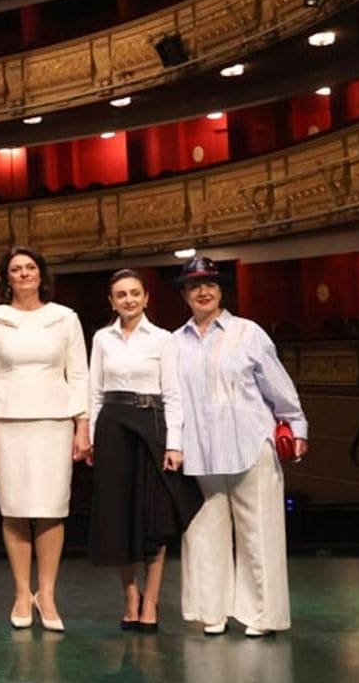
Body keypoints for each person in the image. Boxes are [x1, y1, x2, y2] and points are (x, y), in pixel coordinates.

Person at [168, 256, 308, 638]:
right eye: (194, 285)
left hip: (250, 444)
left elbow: (278, 387)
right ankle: (212, 611)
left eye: (210, 284)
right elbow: (172, 399)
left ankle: (261, 615)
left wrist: (296, 427)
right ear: (184, 293)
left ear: (221, 290)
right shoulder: (174, 342)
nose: (203, 291)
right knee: (203, 534)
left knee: (258, 532)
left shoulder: (249, 333)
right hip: (200, 452)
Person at [0, 245, 89, 633]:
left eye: (30, 267)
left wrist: (83, 424)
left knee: (52, 508)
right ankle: (22, 593)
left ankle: (48, 593)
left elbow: (79, 375)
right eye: (16, 269)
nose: (24, 273)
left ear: (41, 273)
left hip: (55, 420)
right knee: (16, 508)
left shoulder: (65, 318)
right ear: (6, 277)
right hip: (7, 421)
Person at [88, 269, 203, 633]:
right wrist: (91, 438)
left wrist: (175, 444)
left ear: (146, 297)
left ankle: (151, 601)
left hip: (151, 426)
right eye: (121, 295)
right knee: (118, 518)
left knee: (155, 518)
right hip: (113, 427)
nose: (129, 300)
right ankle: (130, 596)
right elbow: (94, 393)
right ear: (111, 301)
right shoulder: (102, 338)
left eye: (135, 293)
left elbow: (173, 395)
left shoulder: (163, 339)